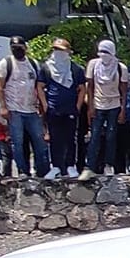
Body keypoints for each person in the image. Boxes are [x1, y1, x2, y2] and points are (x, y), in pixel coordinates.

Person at [0, 38, 48, 179]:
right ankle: (23, 171)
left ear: (25, 47)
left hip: (31, 109)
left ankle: (42, 171)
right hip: (14, 109)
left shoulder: (34, 64)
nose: (17, 49)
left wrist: (42, 106)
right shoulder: (6, 63)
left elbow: (39, 86)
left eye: (20, 47)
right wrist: (3, 107)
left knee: (39, 141)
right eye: (14, 47)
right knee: (18, 142)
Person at [81, 39, 130, 179]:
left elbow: (124, 91)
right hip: (98, 103)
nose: (103, 55)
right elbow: (89, 87)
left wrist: (122, 110)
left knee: (111, 136)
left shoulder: (121, 68)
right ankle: (89, 166)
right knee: (95, 136)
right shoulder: (93, 65)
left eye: (106, 52)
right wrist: (90, 107)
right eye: (101, 51)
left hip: (114, 105)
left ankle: (109, 165)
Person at [39, 37, 82, 179]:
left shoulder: (75, 69)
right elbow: (40, 86)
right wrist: (45, 104)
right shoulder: (46, 68)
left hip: (70, 109)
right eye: (56, 50)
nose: (58, 53)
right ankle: (56, 166)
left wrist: (78, 105)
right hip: (53, 108)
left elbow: (82, 88)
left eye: (62, 51)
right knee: (54, 139)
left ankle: (70, 165)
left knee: (70, 138)